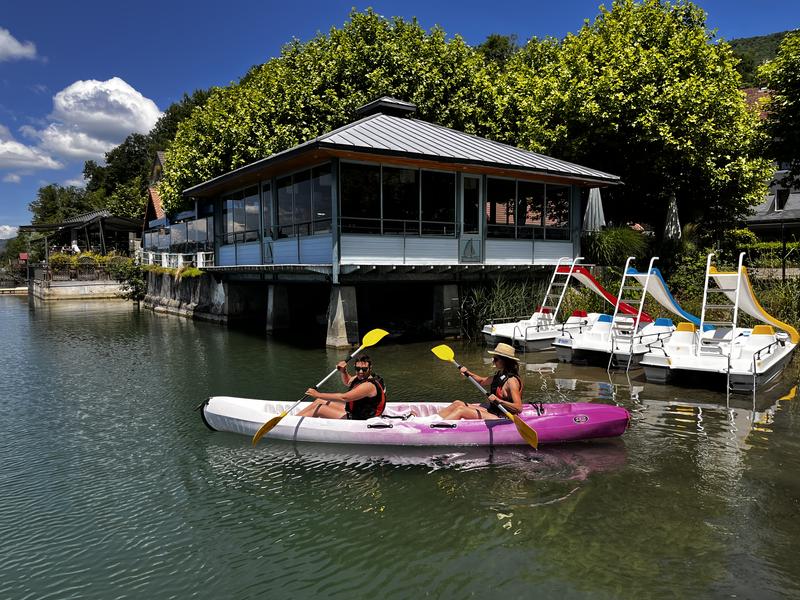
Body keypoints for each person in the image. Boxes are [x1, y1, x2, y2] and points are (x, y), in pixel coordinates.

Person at [437, 342, 524, 420]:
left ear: (505, 361)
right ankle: (431, 420)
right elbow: (482, 381)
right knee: (457, 403)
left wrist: (498, 400)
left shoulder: (512, 381)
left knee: (461, 410)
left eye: (496, 359)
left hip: (503, 416)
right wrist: (468, 373)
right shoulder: (500, 375)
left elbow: (518, 408)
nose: (493, 362)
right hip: (493, 411)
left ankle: (437, 428)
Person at [296, 355, 386, 420]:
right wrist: (343, 371)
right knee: (320, 401)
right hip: (355, 411)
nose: (361, 372)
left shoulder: (368, 386)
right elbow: (348, 382)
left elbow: (344, 397)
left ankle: (290, 423)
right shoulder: (360, 377)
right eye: (358, 369)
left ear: (370, 368)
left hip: (360, 419)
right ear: (355, 367)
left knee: (320, 408)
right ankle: (293, 419)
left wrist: (318, 394)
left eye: (364, 369)